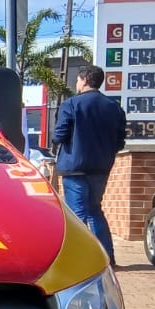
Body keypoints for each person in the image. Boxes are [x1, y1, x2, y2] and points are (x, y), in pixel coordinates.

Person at [51, 62, 128, 264]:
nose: (76, 83)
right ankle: (107, 258)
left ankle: (78, 261)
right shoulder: (114, 108)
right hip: (101, 167)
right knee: (95, 210)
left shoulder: (72, 104)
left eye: (78, 79)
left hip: (74, 166)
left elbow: (60, 134)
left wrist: (56, 142)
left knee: (77, 215)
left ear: (84, 80)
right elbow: (120, 141)